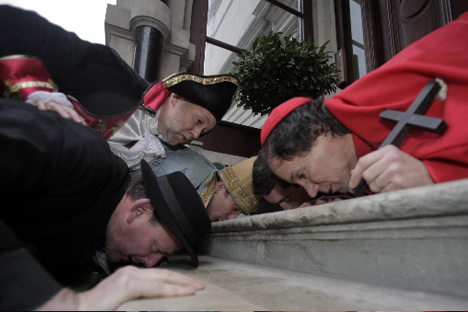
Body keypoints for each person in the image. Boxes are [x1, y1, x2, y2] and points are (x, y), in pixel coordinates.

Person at [0, 99, 212, 309]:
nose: (149, 263)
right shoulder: (82, 157)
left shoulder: (88, 242)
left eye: (161, 258)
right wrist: (56, 301)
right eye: (156, 249)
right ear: (141, 210)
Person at [0, 5, 239, 170]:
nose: (196, 135)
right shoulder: (111, 71)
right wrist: (36, 96)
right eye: (199, 122)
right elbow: (16, 24)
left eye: (203, 132)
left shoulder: (162, 156)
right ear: (176, 97)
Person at [260, 11, 468, 198]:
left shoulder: (401, 81)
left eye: (302, 175)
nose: (312, 191)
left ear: (318, 131)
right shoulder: (357, 171)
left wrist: (435, 178)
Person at [132, 146, 263, 222]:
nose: (232, 218)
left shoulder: (206, 202)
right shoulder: (184, 170)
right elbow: (129, 194)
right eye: (235, 209)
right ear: (220, 187)